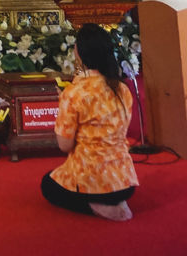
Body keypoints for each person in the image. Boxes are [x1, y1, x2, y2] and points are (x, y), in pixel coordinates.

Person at [41, 23, 138, 221]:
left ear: (79, 53)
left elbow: (64, 145)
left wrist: (64, 103)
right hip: (125, 184)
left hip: (91, 183)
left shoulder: (74, 93)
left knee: (48, 185)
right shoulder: (122, 89)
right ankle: (115, 201)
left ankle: (100, 207)